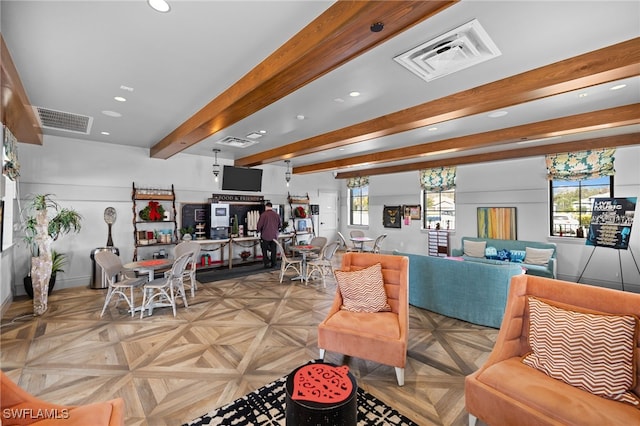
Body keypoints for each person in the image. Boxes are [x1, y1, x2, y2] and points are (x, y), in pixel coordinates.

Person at [257, 202, 281, 268]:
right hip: (274, 236)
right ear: (271, 207)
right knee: (273, 250)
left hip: (265, 235)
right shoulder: (277, 215)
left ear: (266, 207)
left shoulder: (263, 215)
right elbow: (280, 225)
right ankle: (274, 263)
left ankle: (266, 263)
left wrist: (257, 231)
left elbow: (259, 225)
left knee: (264, 250)